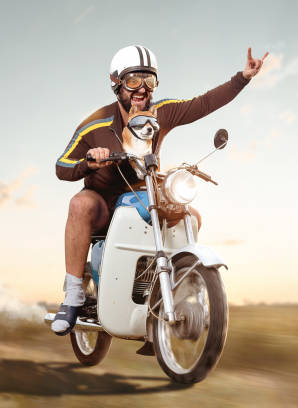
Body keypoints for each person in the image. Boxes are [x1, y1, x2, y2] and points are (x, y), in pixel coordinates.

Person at [51, 45, 268, 335]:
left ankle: (169, 293)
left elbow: (203, 103)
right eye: (133, 81)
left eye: (149, 81)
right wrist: (88, 163)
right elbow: (61, 166)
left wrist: (243, 77)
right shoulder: (95, 124)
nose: (142, 89)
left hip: (144, 194)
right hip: (103, 202)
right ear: (116, 83)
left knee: (191, 215)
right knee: (80, 204)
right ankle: (74, 294)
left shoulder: (161, 111)